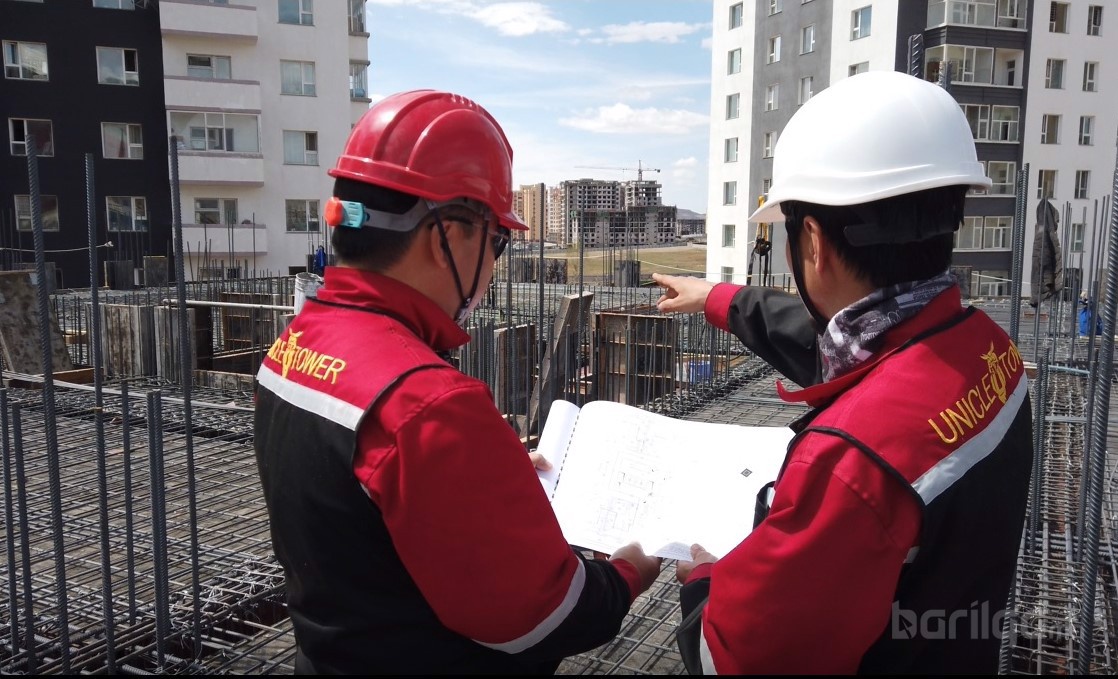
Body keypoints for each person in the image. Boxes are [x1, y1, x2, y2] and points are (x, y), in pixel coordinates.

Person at [253, 89, 661, 674]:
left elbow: (366, 508)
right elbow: (541, 615)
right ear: (445, 235)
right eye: (496, 241)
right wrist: (625, 575)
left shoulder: (296, 343)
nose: (493, 267)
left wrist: (478, 472)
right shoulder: (428, 403)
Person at [653, 71, 1034, 674]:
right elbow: (843, 347)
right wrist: (718, 299)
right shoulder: (988, 349)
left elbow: (735, 659)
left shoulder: (850, 463)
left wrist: (704, 583)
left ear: (812, 241)